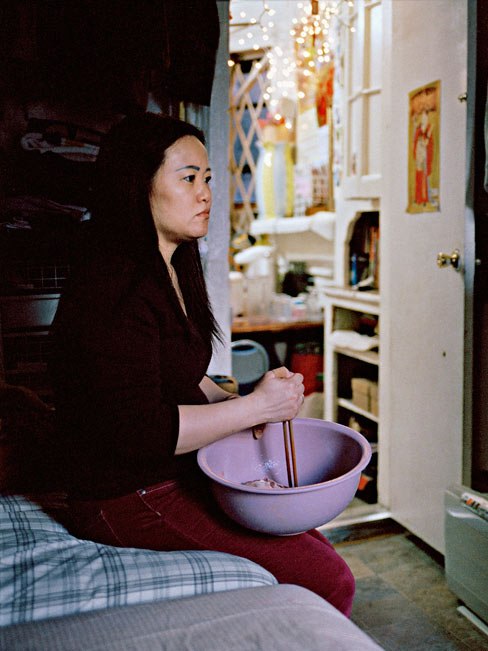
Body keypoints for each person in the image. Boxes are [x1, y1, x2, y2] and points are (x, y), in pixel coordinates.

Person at [49, 112, 355, 616]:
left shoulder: (172, 264)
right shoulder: (114, 285)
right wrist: (253, 409)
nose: (206, 193)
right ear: (138, 185)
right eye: (188, 178)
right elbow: (137, 431)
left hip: (168, 473)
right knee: (328, 579)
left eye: (208, 178)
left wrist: (240, 402)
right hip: (125, 493)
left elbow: (179, 373)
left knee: (312, 543)